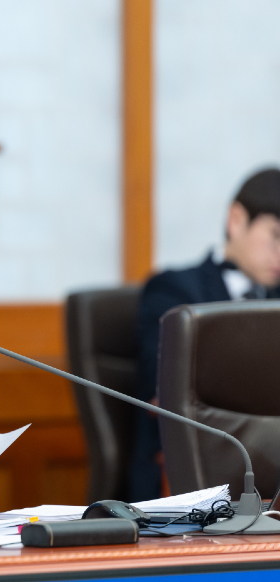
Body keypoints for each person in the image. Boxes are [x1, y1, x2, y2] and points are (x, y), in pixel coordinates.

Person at [131, 168, 280, 502]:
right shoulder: (171, 291)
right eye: (276, 235)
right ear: (237, 220)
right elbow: (162, 392)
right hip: (186, 476)